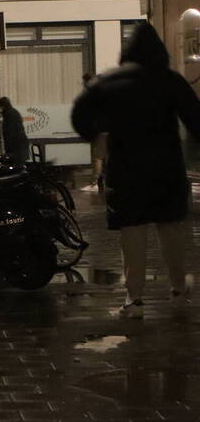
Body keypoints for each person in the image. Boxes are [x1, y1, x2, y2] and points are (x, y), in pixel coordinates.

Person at [72, 22, 200, 319]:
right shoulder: (169, 80)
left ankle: (134, 299)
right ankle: (179, 291)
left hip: (126, 170)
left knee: (132, 237)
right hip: (165, 171)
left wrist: (96, 132)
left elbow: (81, 114)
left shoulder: (110, 82)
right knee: (171, 234)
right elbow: (195, 119)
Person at [0, 97, 30, 164]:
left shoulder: (10, 114)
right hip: (18, 145)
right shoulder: (12, 112)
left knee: (17, 166)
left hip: (17, 147)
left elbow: (11, 132)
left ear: (3, 105)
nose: (0, 108)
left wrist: (9, 149)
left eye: (0, 106)